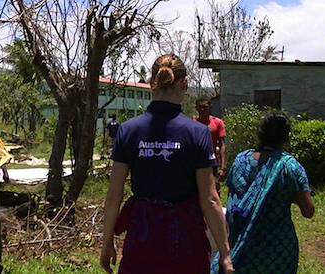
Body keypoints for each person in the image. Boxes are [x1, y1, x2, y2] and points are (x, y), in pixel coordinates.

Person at [100, 54, 234, 274]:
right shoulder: (198, 133)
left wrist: (107, 243)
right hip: (186, 240)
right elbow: (210, 199)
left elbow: (114, 194)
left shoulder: (128, 130)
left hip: (143, 239)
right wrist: (225, 253)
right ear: (184, 84)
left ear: (152, 83)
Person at [211, 111, 314, 274]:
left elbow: (233, 202)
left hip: (243, 245)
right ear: (286, 137)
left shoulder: (241, 161)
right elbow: (308, 211)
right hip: (278, 249)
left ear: (260, 134)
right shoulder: (289, 166)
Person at [195, 95, 227, 183]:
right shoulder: (192, 124)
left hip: (212, 162)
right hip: (195, 163)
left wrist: (223, 166)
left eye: (205, 107)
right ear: (196, 108)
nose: (202, 110)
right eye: (200, 107)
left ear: (210, 107)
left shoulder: (217, 123)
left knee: (213, 188)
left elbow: (222, 144)